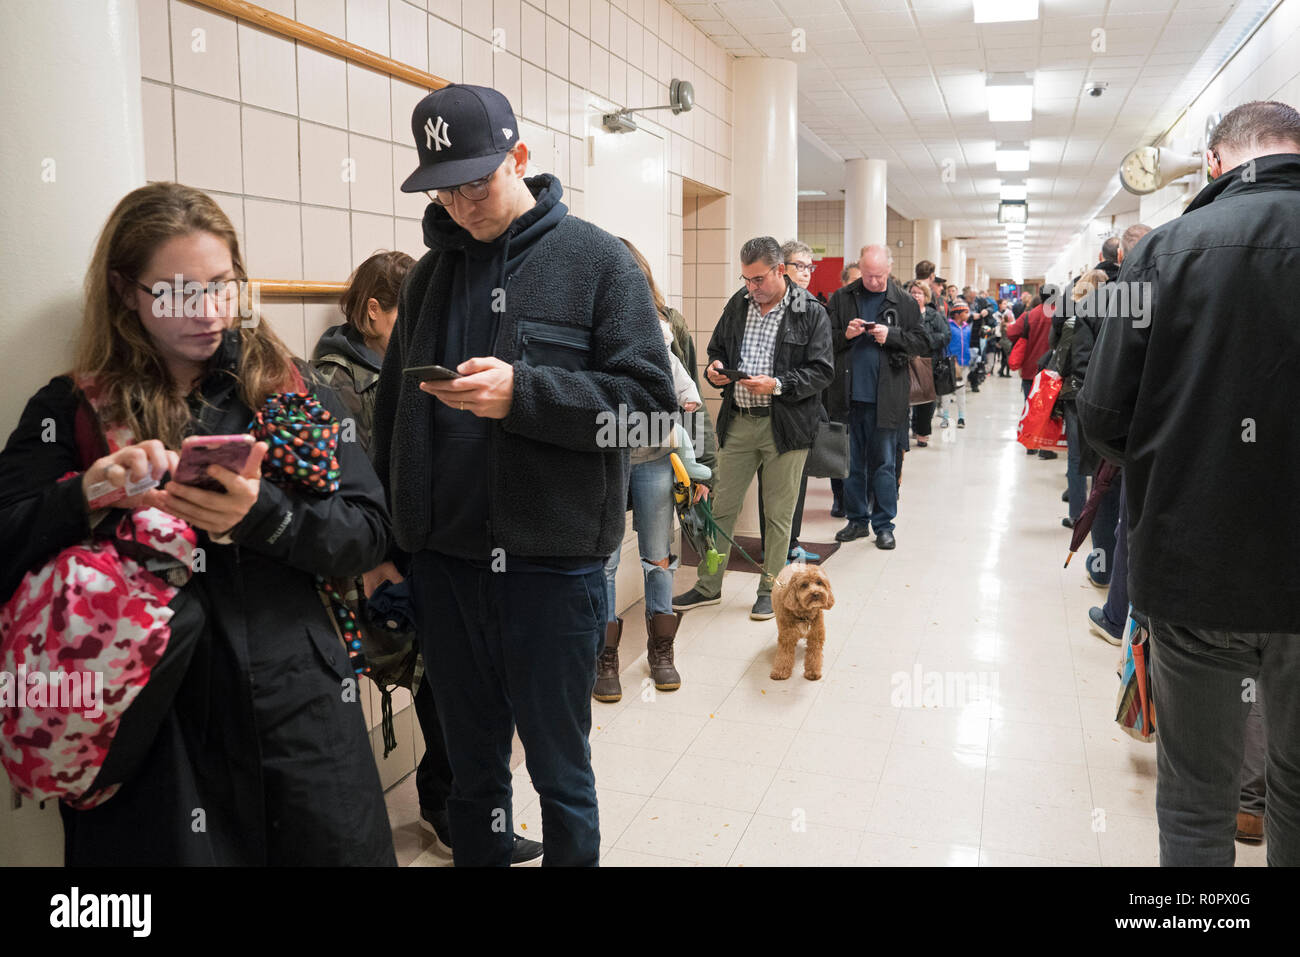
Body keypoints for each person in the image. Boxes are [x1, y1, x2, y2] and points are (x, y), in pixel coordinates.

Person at [0, 181, 396, 865]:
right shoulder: (73, 407)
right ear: (127, 291)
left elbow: (365, 530)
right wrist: (88, 492)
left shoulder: (291, 387)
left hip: (297, 705)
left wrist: (260, 516)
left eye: (222, 285)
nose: (208, 311)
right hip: (152, 723)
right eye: (178, 291)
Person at [371, 84, 676, 867]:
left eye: (478, 180)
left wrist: (526, 394)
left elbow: (649, 413)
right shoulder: (426, 280)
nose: (463, 202)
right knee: (472, 778)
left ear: (521, 157)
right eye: (446, 185)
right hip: (446, 569)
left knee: (560, 774)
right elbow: (393, 419)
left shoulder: (598, 261)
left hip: (553, 569)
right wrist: (390, 545)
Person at [1078, 100, 1300, 866]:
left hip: (1194, 562)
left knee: (1197, 801)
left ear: (1214, 162)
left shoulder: (1162, 253)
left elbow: (1102, 416)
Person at [312, 250, 543, 864]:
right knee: (441, 696)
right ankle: (447, 812)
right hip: (384, 561)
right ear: (372, 312)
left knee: (452, 694)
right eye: (405, 312)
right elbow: (351, 484)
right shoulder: (338, 382)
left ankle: (457, 811)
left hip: (424, 551)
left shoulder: (397, 369)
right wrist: (379, 558)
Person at [672, 236, 833, 621]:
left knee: (777, 516)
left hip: (787, 427)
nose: (751, 287)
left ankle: (771, 591)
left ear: (780, 270)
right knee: (721, 506)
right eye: (746, 279)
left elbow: (822, 371)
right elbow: (717, 350)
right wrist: (714, 370)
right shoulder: (738, 304)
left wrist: (777, 385)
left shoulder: (810, 311)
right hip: (740, 422)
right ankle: (709, 585)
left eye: (758, 279)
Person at [595, 238, 716, 703]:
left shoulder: (666, 325)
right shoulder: (592, 320)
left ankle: (661, 651)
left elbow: (692, 399)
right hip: (605, 457)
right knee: (604, 561)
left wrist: (702, 465)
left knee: (658, 557)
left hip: (655, 457)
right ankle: (605, 657)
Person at [827, 245, 927, 549]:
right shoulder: (842, 298)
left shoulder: (905, 302)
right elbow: (823, 341)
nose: (874, 281)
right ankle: (857, 520)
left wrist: (891, 336)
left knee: (884, 465)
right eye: (869, 275)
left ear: (890, 268)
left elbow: (921, 343)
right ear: (860, 269)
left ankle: (884, 525)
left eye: (880, 275)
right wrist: (846, 334)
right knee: (851, 464)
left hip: (887, 400)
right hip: (848, 397)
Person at [757, 239, 821, 563]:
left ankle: (790, 542)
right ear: (782, 268)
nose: (807, 272)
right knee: (773, 489)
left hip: (803, 412)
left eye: (811, 267)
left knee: (796, 486)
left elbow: (820, 366)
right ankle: (774, 550)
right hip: (771, 412)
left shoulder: (811, 308)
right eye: (801, 266)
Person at [830, 262, 863, 517]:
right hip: (839, 387)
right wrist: (847, 336)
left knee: (863, 449)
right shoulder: (833, 307)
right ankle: (839, 498)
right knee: (837, 448)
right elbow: (826, 341)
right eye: (852, 281)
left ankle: (861, 501)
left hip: (866, 390)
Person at [904, 279, 949, 448]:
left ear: (926, 296)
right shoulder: (904, 314)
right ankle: (910, 428)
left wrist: (924, 341)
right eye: (913, 292)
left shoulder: (934, 315)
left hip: (928, 362)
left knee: (926, 401)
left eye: (919, 293)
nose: (916, 296)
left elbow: (945, 335)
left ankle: (922, 433)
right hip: (906, 361)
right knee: (906, 398)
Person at [941, 300, 971, 429]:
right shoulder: (948, 326)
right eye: (966, 312)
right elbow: (945, 344)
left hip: (963, 363)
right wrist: (947, 358)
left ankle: (961, 417)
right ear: (958, 314)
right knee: (946, 391)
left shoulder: (967, 328)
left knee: (961, 391)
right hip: (950, 363)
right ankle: (945, 417)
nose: (968, 314)